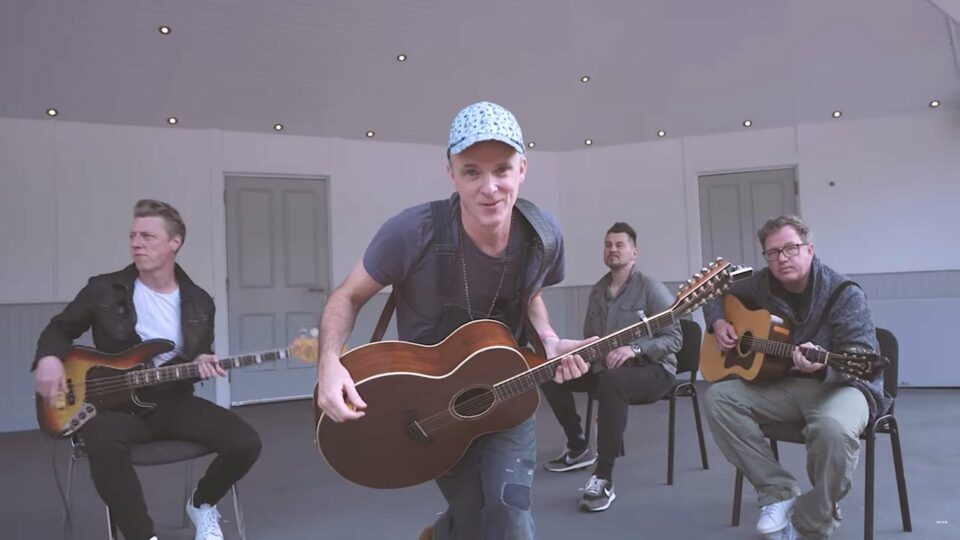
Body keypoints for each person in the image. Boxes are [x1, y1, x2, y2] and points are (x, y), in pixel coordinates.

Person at [314, 101, 593, 540]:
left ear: (523, 168)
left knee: (509, 515)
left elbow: (532, 293)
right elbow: (347, 296)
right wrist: (329, 360)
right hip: (431, 406)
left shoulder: (544, 237)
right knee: (472, 519)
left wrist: (549, 339)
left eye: (502, 169)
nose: (490, 188)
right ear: (451, 173)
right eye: (471, 172)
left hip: (507, 395)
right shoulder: (411, 232)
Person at [33, 199, 262, 540]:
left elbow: (198, 356)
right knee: (102, 441)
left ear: (175, 243)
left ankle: (201, 504)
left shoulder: (200, 302)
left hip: (173, 402)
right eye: (133, 236)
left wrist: (201, 362)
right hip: (113, 404)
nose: (136, 243)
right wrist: (49, 357)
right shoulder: (104, 289)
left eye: (147, 236)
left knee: (246, 442)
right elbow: (60, 328)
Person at [703, 215, 889, 540]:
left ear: (810, 249)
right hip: (783, 385)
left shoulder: (843, 292)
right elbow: (714, 293)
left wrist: (822, 366)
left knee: (832, 431)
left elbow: (861, 354)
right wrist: (718, 323)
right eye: (772, 252)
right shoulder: (760, 283)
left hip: (843, 385)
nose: (782, 258)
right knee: (719, 398)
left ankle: (811, 522)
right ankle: (779, 491)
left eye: (791, 248)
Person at [540, 222, 681, 512]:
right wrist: (577, 358)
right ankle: (578, 445)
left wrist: (636, 348)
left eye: (620, 245)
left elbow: (675, 337)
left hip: (654, 370)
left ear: (634, 252)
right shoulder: (597, 291)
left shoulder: (650, 288)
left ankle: (603, 477)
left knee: (612, 381)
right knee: (551, 374)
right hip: (607, 371)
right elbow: (593, 340)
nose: (613, 249)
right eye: (608, 245)